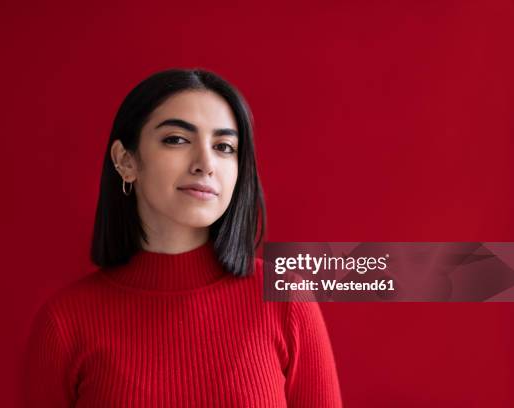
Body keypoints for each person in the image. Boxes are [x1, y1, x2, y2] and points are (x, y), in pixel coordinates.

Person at [22, 68, 343, 407]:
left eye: (224, 146)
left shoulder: (287, 304)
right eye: (176, 139)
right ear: (125, 161)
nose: (205, 163)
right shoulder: (64, 323)